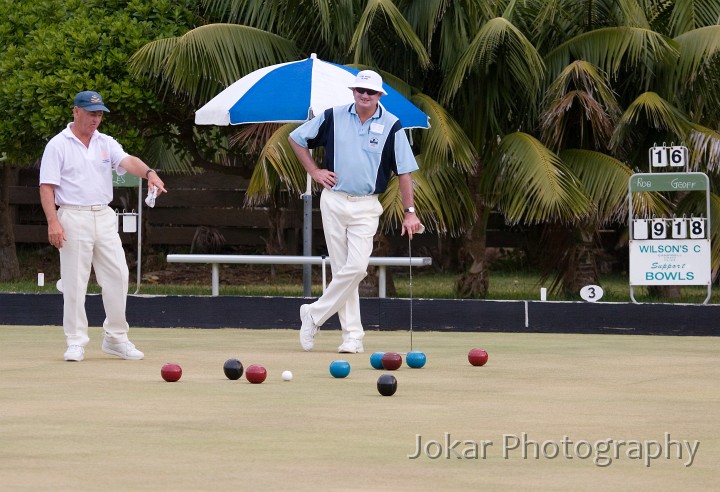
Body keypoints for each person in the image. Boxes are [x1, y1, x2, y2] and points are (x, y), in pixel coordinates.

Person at [288, 70, 423, 354]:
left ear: (379, 95)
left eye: (370, 92)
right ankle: (352, 337)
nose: (364, 95)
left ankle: (313, 314)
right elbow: (296, 138)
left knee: (357, 267)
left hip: (366, 205)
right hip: (334, 200)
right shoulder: (333, 115)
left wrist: (410, 212)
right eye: (360, 90)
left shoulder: (392, 125)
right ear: (353, 91)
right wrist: (314, 171)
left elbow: (405, 172)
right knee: (341, 270)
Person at [39, 90, 166, 361]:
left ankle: (116, 338)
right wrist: (53, 222)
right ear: (76, 111)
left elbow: (128, 161)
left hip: (104, 216)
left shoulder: (105, 142)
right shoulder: (57, 145)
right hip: (71, 216)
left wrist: (150, 173)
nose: (96, 119)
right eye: (91, 113)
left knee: (119, 275)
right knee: (75, 282)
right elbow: (47, 186)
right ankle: (75, 341)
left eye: (99, 114)